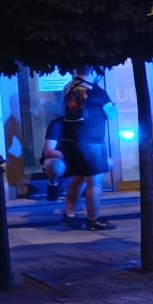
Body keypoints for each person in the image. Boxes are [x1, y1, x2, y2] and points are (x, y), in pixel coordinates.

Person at [43, 84, 113, 231]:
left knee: (85, 175)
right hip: (66, 158)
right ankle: (89, 218)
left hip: (80, 157)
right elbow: (48, 150)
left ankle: (72, 215)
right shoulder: (58, 123)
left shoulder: (86, 121)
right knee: (71, 172)